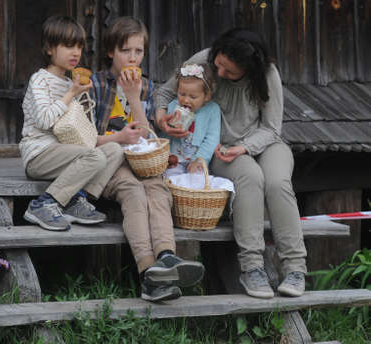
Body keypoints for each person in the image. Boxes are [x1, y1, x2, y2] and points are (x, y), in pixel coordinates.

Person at [155, 28, 307, 299]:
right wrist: (161, 118)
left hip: (266, 143)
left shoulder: (267, 74)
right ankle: (252, 268)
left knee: (277, 182)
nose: (220, 73)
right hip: (221, 149)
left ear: (249, 70)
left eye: (229, 71)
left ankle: (295, 268)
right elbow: (164, 94)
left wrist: (245, 147)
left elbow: (272, 129)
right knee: (250, 177)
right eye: (219, 65)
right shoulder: (204, 61)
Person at [90, 16, 205, 302]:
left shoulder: (148, 87)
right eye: (125, 50)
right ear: (110, 52)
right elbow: (84, 138)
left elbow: (148, 138)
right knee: (134, 192)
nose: (132, 58)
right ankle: (148, 272)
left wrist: (134, 97)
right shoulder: (95, 85)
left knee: (157, 190)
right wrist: (118, 137)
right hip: (108, 162)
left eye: (138, 51)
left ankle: (167, 257)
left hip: (142, 162)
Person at [19, 15, 124, 231]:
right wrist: (70, 94)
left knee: (114, 150)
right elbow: (45, 120)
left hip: (65, 152)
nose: (76, 52)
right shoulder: (39, 80)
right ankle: (45, 203)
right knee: (94, 156)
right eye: (68, 46)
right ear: (49, 49)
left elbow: (82, 133)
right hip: (39, 154)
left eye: (78, 46)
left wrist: (81, 99)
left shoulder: (71, 82)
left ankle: (76, 199)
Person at [161, 63, 221, 178]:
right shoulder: (173, 106)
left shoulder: (212, 110)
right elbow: (166, 134)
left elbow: (212, 139)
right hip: (175, 160)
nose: (186, 100)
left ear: (207, 96)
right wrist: (167, 155)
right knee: (170, 178)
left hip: (197, 160)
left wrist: (199, 160)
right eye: (182, 94)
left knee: (198, 180)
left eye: (193, 97)